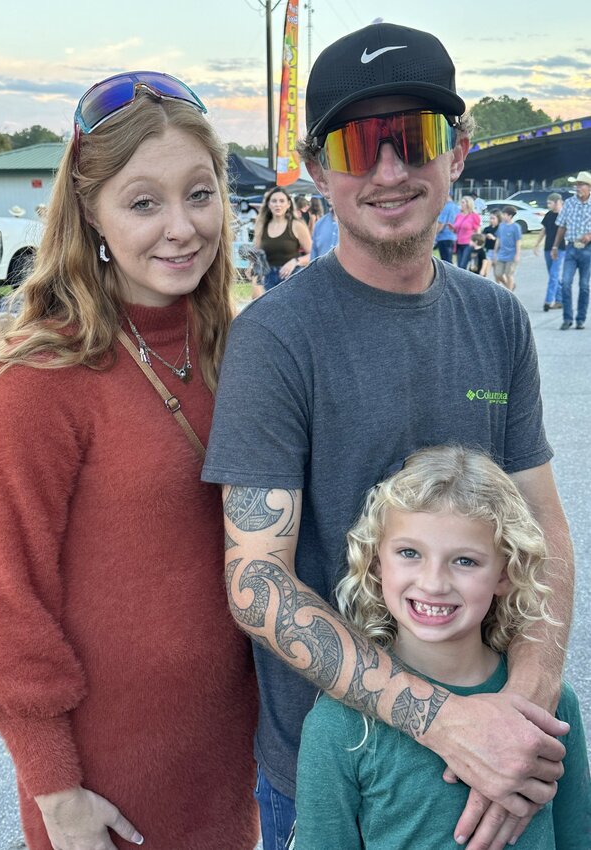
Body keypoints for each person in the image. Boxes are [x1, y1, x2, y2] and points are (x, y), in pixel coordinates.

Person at [202, 21, 573, 850]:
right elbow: (257, 581)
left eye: (415, 137)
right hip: (335, 779)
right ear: (317, 166)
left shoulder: (498, 319)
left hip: (497, 762)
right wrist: (444, 721)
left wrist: (525, 707)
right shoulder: (277, 338)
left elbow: (542, 526)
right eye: (360, 143)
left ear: (460, 150)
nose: (390, 169)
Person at [0, 71, 259, 850]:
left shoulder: (240, 345)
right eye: (144, 202)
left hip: (230, 757)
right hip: (104, 783)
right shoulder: (41, 377)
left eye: (200, 192)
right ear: (92, 213)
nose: (182, 226)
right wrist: (55, 792)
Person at [294, 445, 590, 850]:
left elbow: (577, 835)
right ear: (377, 563)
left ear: (505, 573)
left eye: (465, 561)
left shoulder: (552, 704)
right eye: (409, 553)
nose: (434, 582)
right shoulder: (338, 726)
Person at [552, 170, 591, 330]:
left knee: (584, 285)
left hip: (588, 249)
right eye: (576, 184)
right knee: (566, 283)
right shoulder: (569, 203)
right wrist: (555, 246)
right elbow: (561, 226)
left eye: (581, 184)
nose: (577, 187)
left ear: (589, 187)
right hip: (571, 248)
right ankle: (567, 318)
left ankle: (580, 318)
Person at [254, 186, 312, 291]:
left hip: (292, 277)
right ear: (268, 204)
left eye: (281, 201)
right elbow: (256, 254)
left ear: (288, 204)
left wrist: (295, 262)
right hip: (268, 279)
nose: (278, 204)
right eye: (274, 201)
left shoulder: (296, 225)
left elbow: (313, 254)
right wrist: (256, 280)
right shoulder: (262, 226)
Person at [533, 193, 564, 311]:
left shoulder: (563, 215)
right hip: (547, 248)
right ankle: (560, 300)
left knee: (554, 275)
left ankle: (548, 301)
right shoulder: (549, 215)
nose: (548, 205)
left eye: (550, 203)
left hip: (560, 249)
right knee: (553, 275)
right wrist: (536, 244)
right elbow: (544, 230)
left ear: (557, 202)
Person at [493, 206, 522, 291]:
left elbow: (518, 241)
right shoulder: (501, 226)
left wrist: (517, 254)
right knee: (498, 274)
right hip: (502, 254)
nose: (503, 216)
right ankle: (510, 286)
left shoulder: (516, 227)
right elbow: (498, 239)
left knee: (509, 274)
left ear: (510, 216)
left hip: (512, 255)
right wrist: (495, 251)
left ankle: (510, 293)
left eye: (504, 214)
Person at [451, 195, 481, 268]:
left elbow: (478, 230)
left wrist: (477, 243)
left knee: (462, 265)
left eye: (463, 202)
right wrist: (452, 228)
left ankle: (462, 279)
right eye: (461, 203)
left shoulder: (474, 216)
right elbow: (455, 230)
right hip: (459, 243)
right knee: (459, 265)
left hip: (468, 243)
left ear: (468, 204)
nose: (461, 204)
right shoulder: (458, 216)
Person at [435, 193, 459, 263]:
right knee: (450, 260)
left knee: (445, 262)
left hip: (444, 237)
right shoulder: (456, 207)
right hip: (453, 237)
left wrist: (434, 235)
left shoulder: (445, 207)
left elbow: (441, 223)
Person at [482, 208, 501, 274]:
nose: (491, 220)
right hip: (488, 250)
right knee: (485, 271)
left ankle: (508, 284)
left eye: (493, 218)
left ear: (498, 219)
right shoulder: (486, 229)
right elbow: (482, 240)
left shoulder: (500, 229)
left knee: (498, 274)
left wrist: (494, 238)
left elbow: (502, 241)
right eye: (490, 218)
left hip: (498, 251)